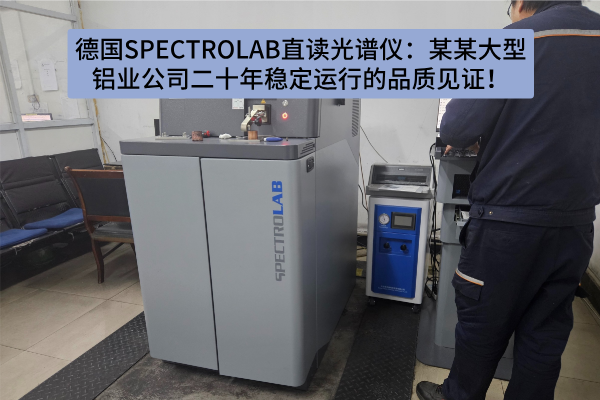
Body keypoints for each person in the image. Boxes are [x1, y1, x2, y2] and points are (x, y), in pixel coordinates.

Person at [416, 1, 600, 399]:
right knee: (545, 333)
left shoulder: (519, 40)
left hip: (507, 224)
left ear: (521, 3)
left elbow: (456, 128)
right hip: (575, 222)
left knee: (483, 323)